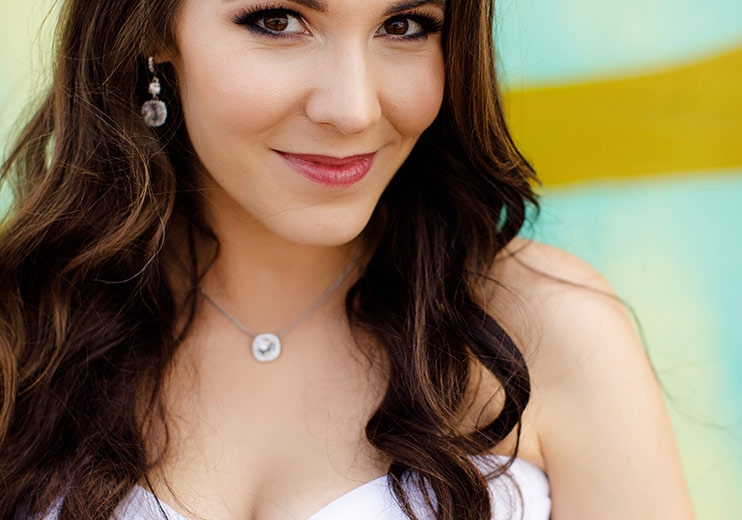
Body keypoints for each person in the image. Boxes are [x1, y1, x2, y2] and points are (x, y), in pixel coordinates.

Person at [0, 0, 695, 519]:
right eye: (278, 21)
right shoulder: (19, 328)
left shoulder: (549, 327)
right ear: (154, 32)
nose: (354, 108)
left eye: (404, 25)